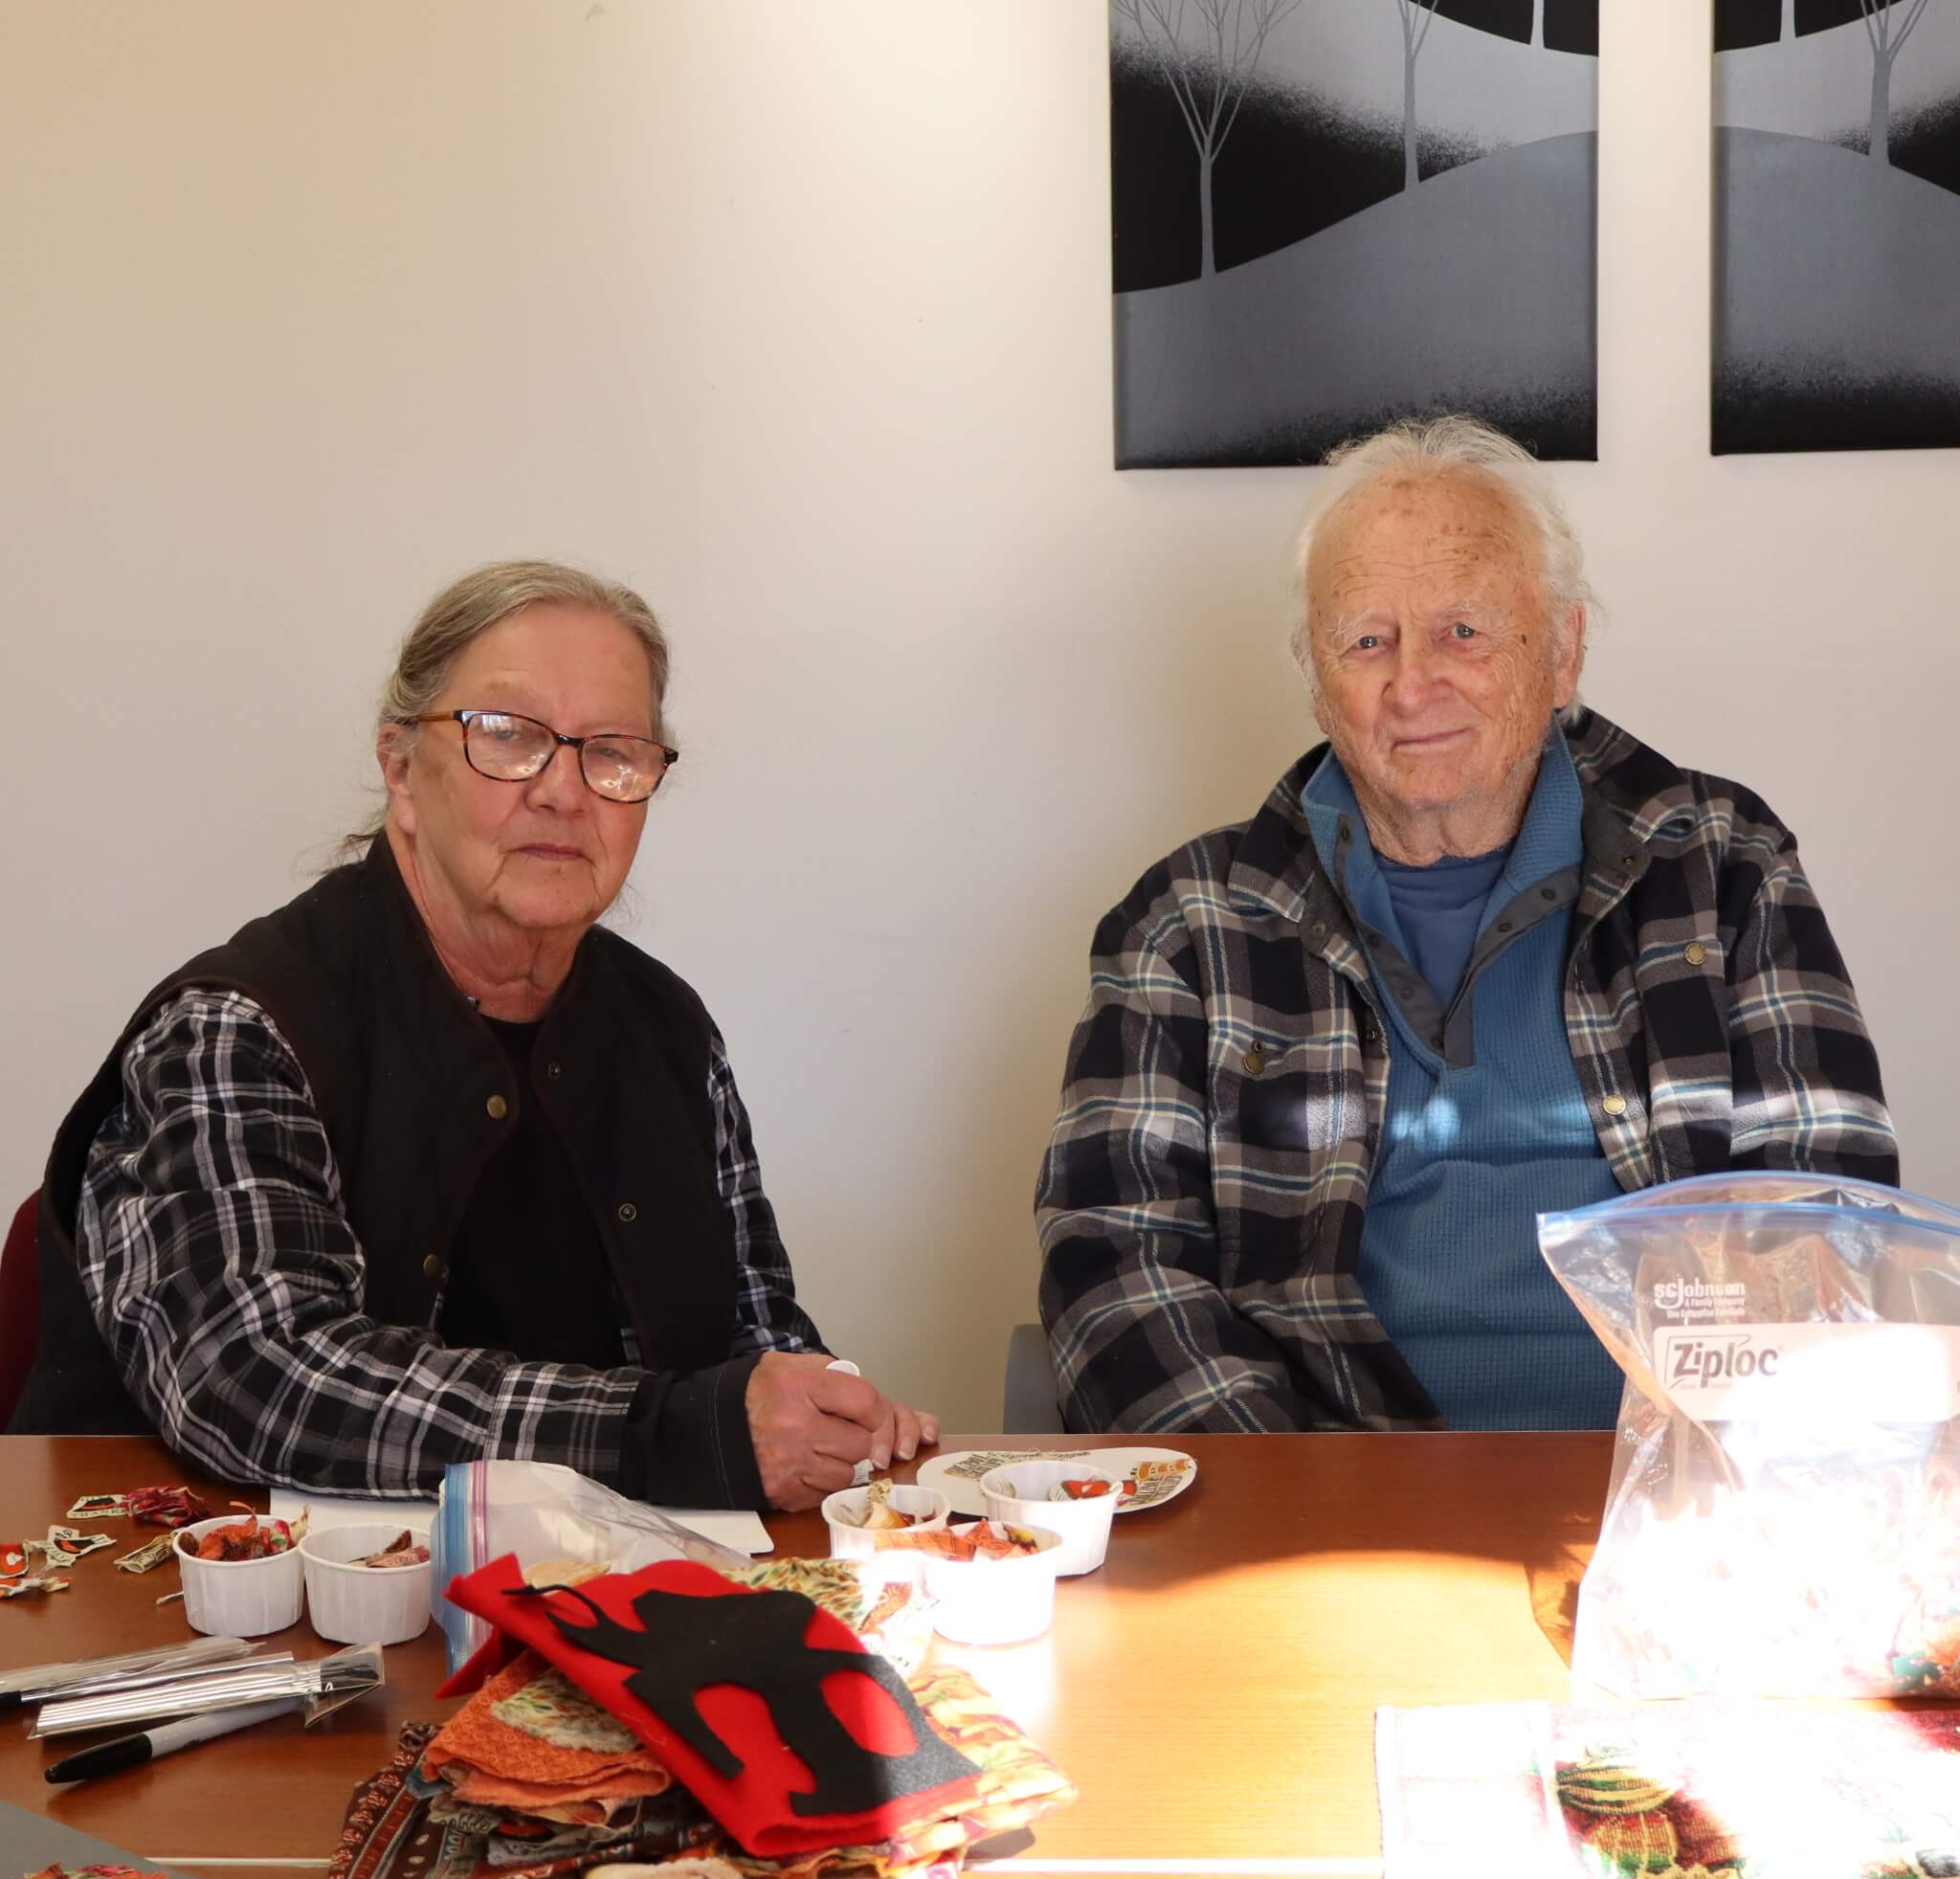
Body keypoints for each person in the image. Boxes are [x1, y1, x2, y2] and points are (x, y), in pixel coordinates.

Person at [1035, 415, 1896, 1437]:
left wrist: (1700, 1485)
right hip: (1323, 1500)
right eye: (1366, 639)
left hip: (1671, 1494)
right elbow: (1112, 1262)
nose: (1411, 683)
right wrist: (1301, 1515)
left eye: (1463, 631)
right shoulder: (1187, 922)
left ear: (1563, 650)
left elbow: (1828, 1215)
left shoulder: (1721, 866)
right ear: (1316, 676)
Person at [15, 561, 934, 1510]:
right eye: (507, 736)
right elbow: (261, 1381)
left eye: (612, 750)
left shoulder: (670, 1031)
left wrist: (817, 1411)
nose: (564, 791)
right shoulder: (236, 1024)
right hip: (201, 1615)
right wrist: (675, 1433)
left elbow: (753, 1336)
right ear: (402, 771)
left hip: (599, 1602)